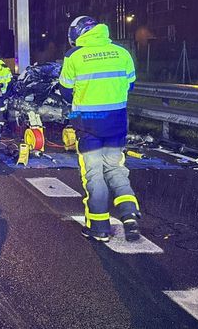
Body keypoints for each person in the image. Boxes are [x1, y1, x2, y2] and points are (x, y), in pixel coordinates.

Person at [59, 16, 140, 242]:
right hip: (117, 121)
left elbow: (65, 91)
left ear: (76, 34)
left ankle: (99, 227)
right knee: (116, 169)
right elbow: (130, 85)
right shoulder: (122, 52)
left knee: (94, 174)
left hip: (88, 123)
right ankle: (129, 214)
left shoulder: (74, 56)